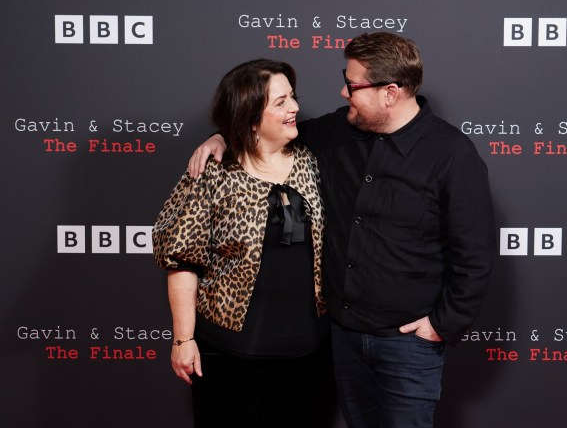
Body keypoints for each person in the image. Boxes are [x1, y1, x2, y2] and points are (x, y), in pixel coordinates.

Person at [189, 32, 497, 428]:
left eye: (352, 84)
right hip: (342, 338)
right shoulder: (337, 131)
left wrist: (442, 325)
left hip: (408, 345)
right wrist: (221, 136)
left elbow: (475, 252)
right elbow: (267, 132)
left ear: (390, 93)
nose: (343, 90)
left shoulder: (452, 154)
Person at [152, 59, 330, 428]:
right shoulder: (212, 171)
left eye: (292, 97)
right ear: (251, 117)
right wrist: (183, 339)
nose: (294, 107)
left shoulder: (314, 160)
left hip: (307, 351)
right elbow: (183, 261)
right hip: (229, 351)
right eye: (280, 102)